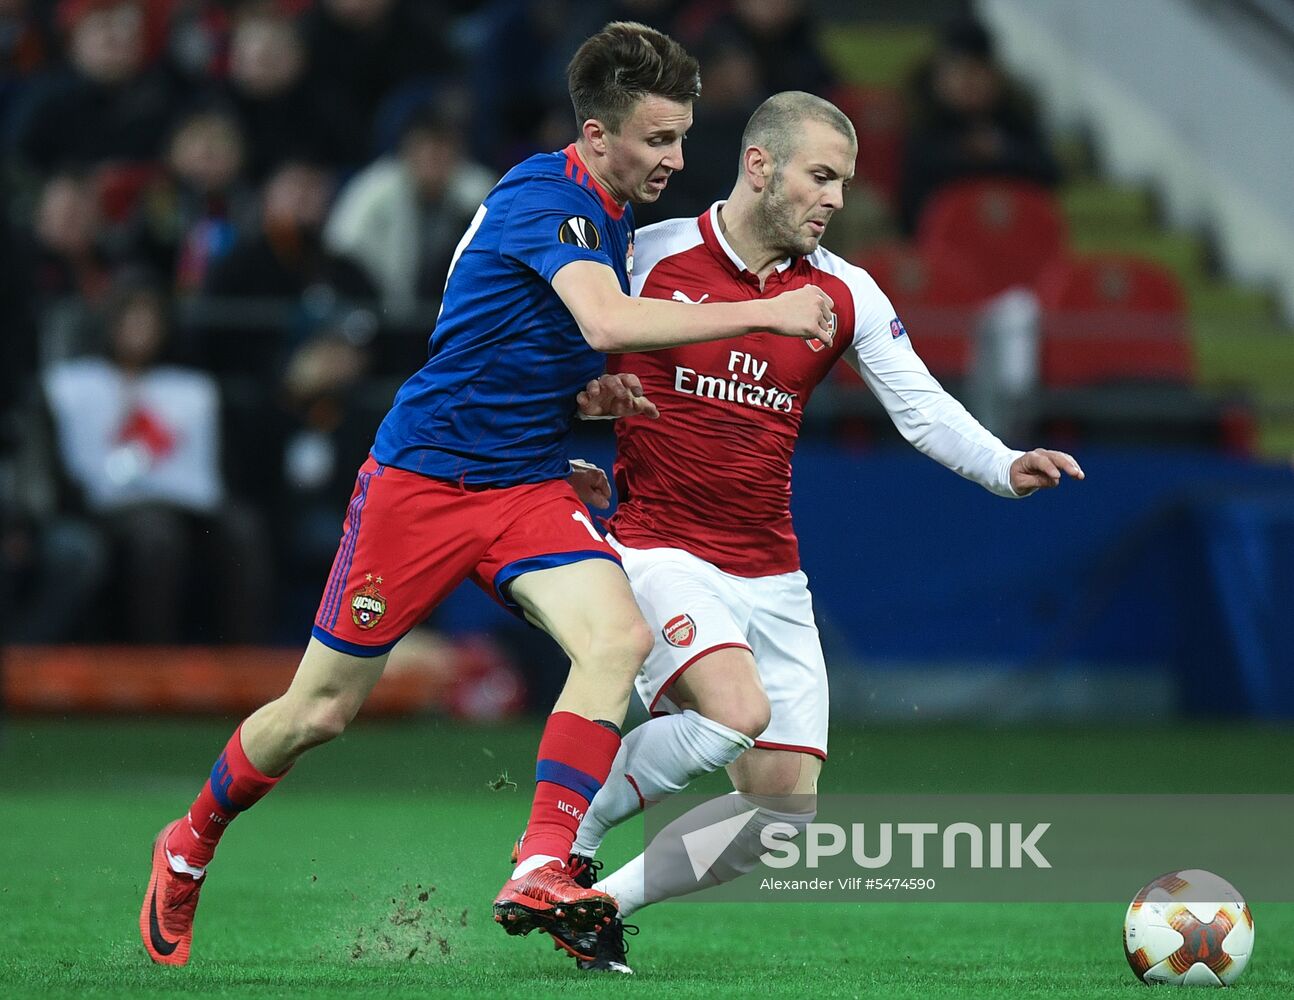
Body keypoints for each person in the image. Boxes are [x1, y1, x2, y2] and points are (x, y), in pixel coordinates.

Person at [138, 21, 835, 967]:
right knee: (319, 713)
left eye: (681, 136)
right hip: (420, 485)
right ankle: (189, 840)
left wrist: (585, 393)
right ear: (598, 136)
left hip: (522, 485)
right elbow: (602, 313)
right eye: (659, 139)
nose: (676, 158)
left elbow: (516, 329)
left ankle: (547, 859)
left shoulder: (604, 204)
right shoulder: (549, 195)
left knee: (617, 640)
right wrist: (768, 307)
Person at [536, 90, 1084, 974]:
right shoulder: (653, 251)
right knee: (731, 715)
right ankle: (570, 837)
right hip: (657, 547)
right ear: (761, 164)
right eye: (820, 176)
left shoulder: (844, 289)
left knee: (779, 819)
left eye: (845, 182)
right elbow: (553, 350)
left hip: (772, 573)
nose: (835, 198)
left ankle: (597, 904)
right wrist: (548, 447)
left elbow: (919, 407)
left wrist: (1002, 464)